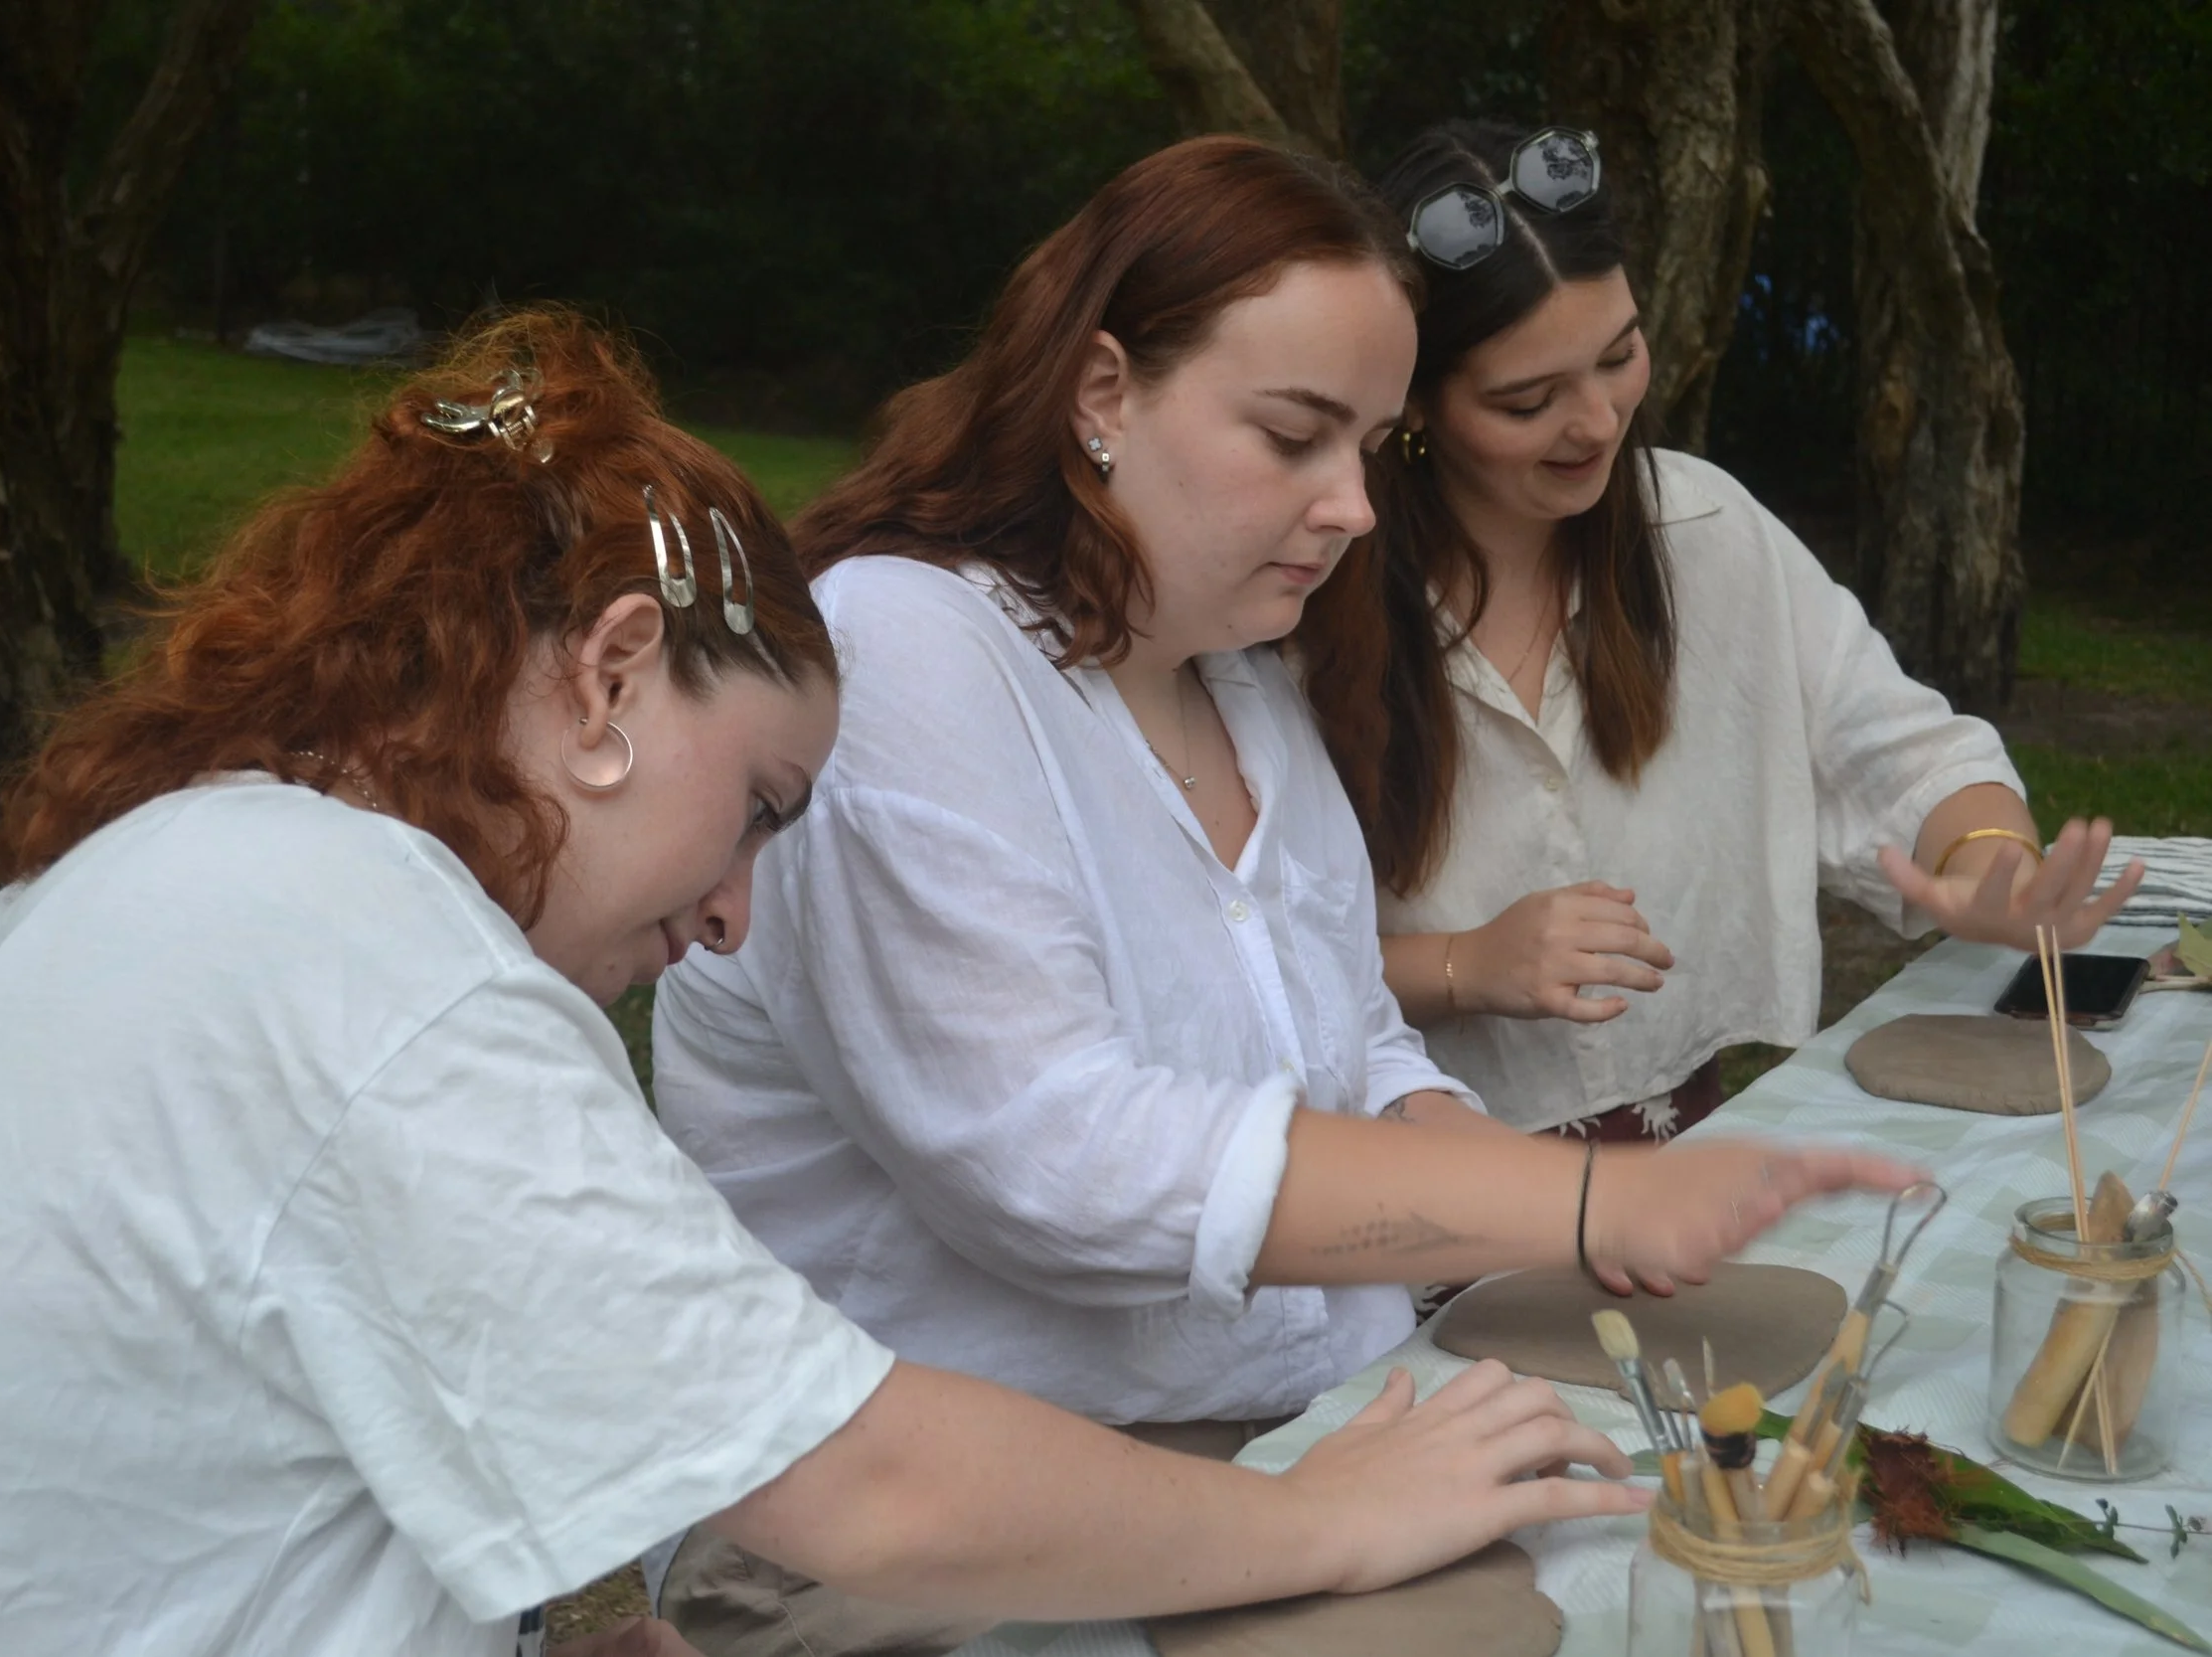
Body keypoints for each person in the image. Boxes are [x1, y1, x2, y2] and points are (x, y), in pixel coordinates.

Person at [0, 309, 1655, 1657]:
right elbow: (874, 1486)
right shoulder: (373, 974)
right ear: (605, 675)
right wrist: (1335, 1515)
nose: (739, 909)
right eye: (752, 809)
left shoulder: (199, 876)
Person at [651, 137, 1923, 1657]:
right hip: (924, 1530)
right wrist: (1581, 1195)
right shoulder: (904, 651)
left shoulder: (1245, 690)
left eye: (1369, 448)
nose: (1355, 509)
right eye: (1293, 435)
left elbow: (1357, 1043)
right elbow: (1063, 1159)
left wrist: (1536, 1207)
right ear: (1103, 391)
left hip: (1275, 1428)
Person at [1333, 119, 2144, 1144]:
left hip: (1685, 1152)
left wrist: (1994, 870)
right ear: (1414, 404)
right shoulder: (1311, 599)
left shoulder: (1703, 531)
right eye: (1526, 399)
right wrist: (1459, 965)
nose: (1596, 422)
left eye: (1619, 354)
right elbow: (1234, 964)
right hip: (1409, 1197)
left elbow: (1909, 756)